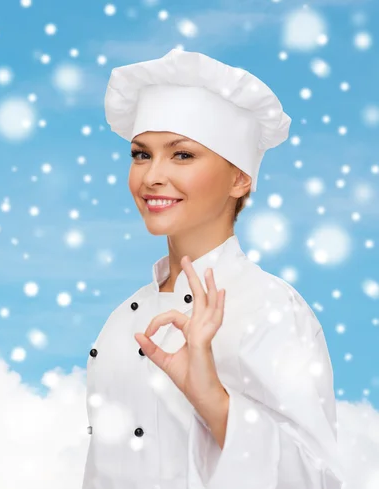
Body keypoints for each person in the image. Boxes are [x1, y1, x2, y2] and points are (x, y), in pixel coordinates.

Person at [82, 49, 346, 489]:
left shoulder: (269, 307)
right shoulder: (121, 319)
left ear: (240, 178)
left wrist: (212, 401)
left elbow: (316, 478)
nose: (151, 177)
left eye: (182, 155)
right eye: (141, 155)